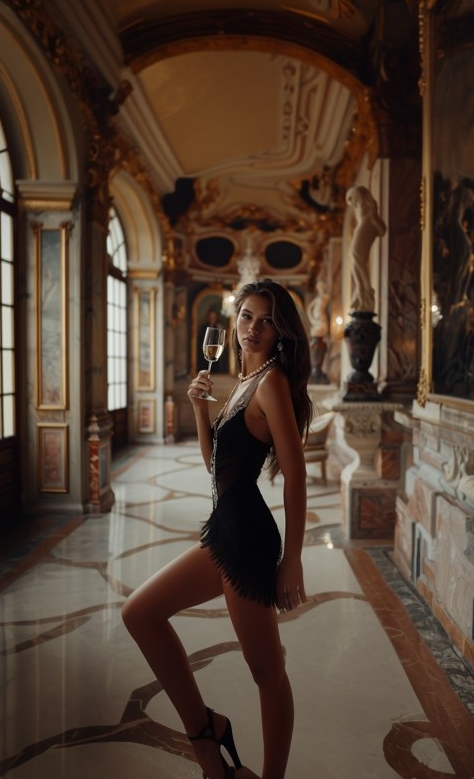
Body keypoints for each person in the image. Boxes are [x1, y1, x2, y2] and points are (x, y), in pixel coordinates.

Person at [123, 278, 314, 779]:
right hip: (224, 530)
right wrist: (199, 410)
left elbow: (295, 474)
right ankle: (207, 736)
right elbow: (215, 466)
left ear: (280, 332)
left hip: (248, 538)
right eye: (247, 316)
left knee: (267, 673)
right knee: (140, 613)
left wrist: (292, 557)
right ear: (234, 322)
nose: (253, 328)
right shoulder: (244, 382)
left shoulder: (271, 382)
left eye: (266, 320)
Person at [346, 186, 385, 313]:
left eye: (352, 198)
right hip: (360, 230)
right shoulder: (358, 204)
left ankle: (367, 291)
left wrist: (373, 222)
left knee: (358, 260)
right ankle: (360, 291)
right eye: (350, 200)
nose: (352, 203)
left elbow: (381, 227)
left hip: (365, 229)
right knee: (353, 261)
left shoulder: (368, 202)